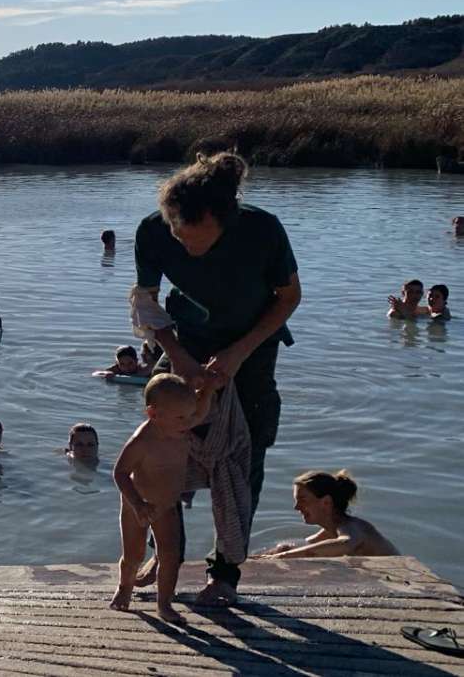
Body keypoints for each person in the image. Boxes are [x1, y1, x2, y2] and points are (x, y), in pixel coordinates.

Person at [132, 151, 300, 605]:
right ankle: (165, 551)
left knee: (246, 455)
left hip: (254, 347)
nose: (185, 247)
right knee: (161, 444)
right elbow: (147, 303)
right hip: (184, 342)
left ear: (221, 218)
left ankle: (225, 571)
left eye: (196, 239)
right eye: (178, 236)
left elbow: (288, 297)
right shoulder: (151, 231)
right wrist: (179, 358)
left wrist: (239, 352)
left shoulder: (262, 229)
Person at [109, 374, 213, 625]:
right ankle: (125, 587)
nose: (189, 422)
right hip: (138, 505)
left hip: (167, 505)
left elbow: (199, 411)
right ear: (153, 414)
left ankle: (164, 603)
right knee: (134, 554)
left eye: (189, 416)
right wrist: (137, 504)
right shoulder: (143, 441)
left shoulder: (181, 428)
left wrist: (209, 387)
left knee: (171, 555)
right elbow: (120, 473)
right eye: (181, 417)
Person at [253, 470, 397, 558]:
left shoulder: (353, 527)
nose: (296, 507)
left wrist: (283, 557)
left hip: (404, 583)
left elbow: (345, 544)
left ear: (326, 502)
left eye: (302, 500)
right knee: (284, 548)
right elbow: (304, 547)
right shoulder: (330, 531)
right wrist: (265, 557)